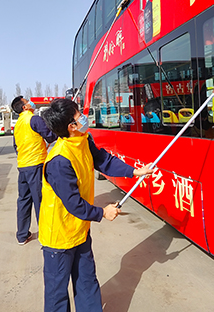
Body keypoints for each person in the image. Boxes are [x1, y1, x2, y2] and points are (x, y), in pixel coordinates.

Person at [39, 98, 153, 312]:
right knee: (57, 294)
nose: (84, 117)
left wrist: (134, 171)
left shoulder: (83, 138)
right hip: (59, 237)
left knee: (87, 282)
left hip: (80, 230)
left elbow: (103, 160)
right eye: (78, 116)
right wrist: (102, 212)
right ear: (70, 127)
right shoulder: (58, 161)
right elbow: (74, 204)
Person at [11, 96, 57, 245]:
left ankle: (22, 235)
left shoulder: (18, 124)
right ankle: (46, 234)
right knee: (40, 200)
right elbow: (50, 136)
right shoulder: (34, 119)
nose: (30, 102)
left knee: (23, 200)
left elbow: (16, 147)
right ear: (24, 107)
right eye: (27, 101)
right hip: (36, 165)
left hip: (22, 166)